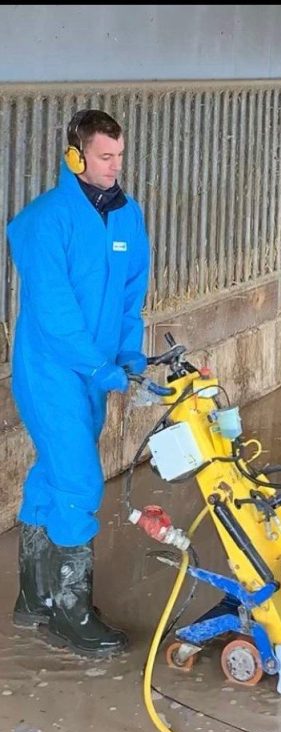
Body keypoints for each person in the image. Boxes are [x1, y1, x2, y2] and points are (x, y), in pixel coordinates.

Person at [7, 109, 151, 658]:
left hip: (96, 372)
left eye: (119, 156)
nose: (115, 167)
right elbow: (55, 312)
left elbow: (130, 291)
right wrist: (101, 368)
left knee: (52, 475)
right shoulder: (48, 220)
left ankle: (34, 598)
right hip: (51, 372)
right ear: (75, 156)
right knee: (80, 481)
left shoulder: (126, 215)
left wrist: (129, 354)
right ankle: (70, 614)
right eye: (104, 157)